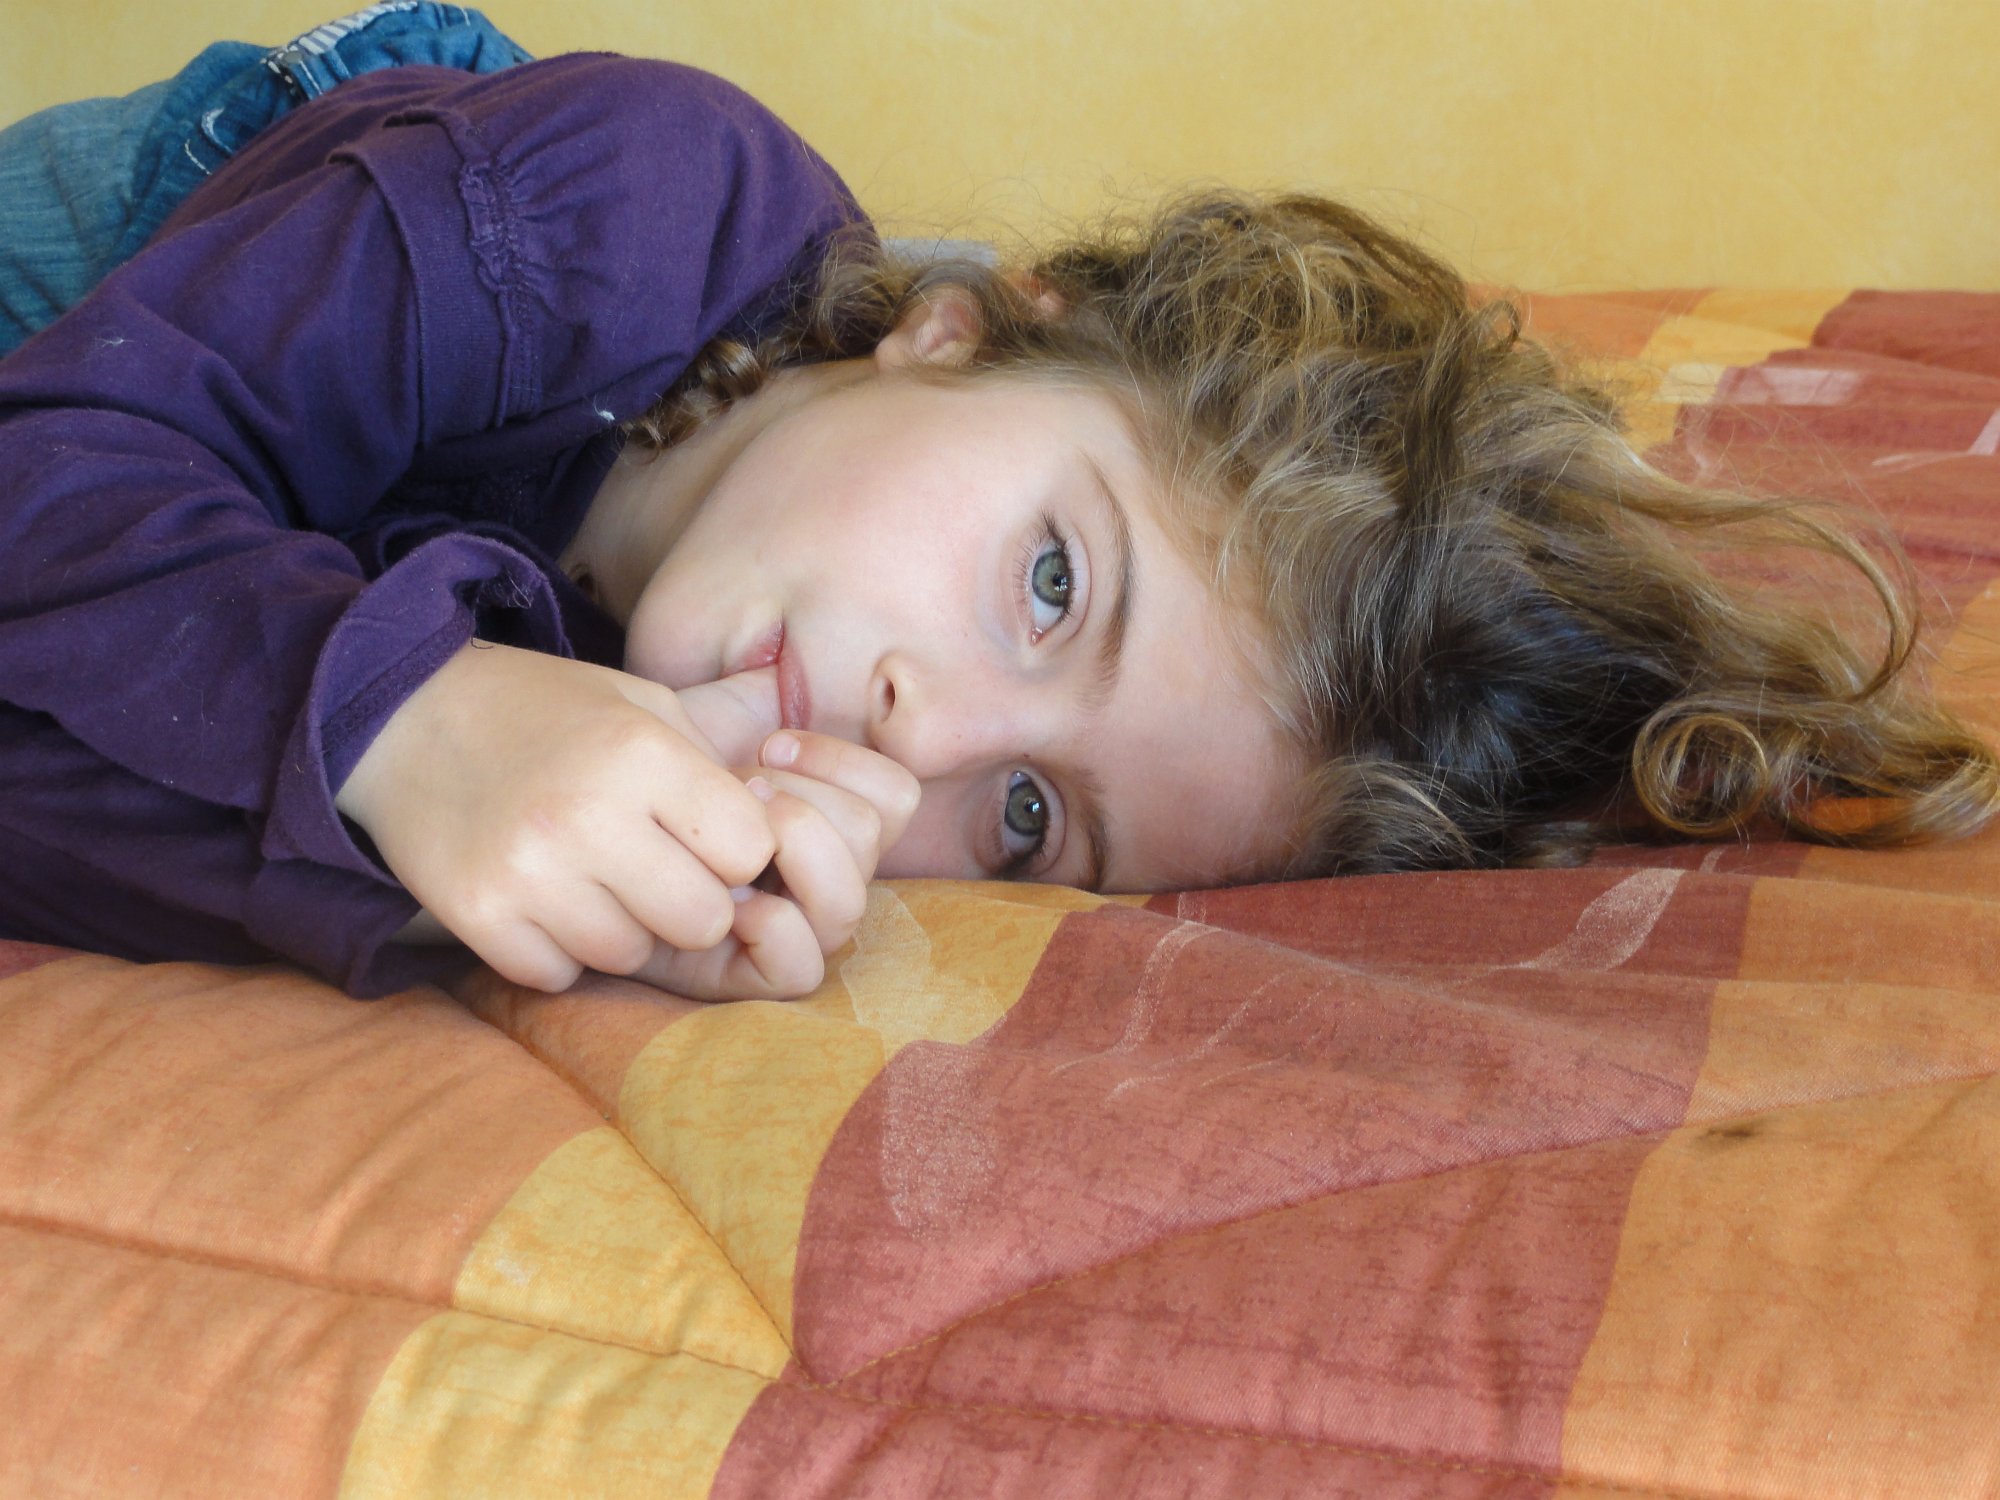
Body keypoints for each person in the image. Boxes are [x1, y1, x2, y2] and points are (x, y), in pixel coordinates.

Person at [1, 19, 1994, 1005]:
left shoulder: (697, 745)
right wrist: (404, 720)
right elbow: (53, 469)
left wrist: (499, 885)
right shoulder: (614, 198)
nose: (926, 734)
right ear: (958, 331)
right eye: (1051, 582)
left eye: (1030, 821)